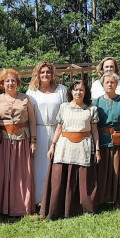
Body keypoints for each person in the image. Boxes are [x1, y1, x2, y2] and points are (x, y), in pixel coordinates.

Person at [43, 80, 100, 219]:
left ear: (85, 92)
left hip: (83, 146)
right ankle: (57, 210)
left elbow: (95, 131)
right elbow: (59, 128)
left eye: (81, 89)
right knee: (59, 179)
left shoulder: (91, 109)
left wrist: (97, 150)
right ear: (71, 92)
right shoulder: (64, 107)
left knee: (83, 179)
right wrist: (53, 145)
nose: (78, 92)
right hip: (64, 146)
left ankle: (82, 209)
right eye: (75, 89)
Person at [0, 69, 36, 217]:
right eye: (7, 81)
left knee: (21, 175)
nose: (10, 83)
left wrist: (33, 141)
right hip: (3, 142)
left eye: (13, 80)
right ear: (2, 83)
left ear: (18, 83)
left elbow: (32, 122)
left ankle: (19, 208)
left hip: (21, 141)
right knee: (1, 174)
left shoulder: (25, 99)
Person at [26, 61, 67, 208]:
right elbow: (29, 116)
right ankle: (38, 200)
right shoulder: (32, 91)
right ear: (38, 74)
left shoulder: (61, 90)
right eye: (42, 72)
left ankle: (55, 200)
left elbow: (66, 112)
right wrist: (33, 138)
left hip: (58, 131)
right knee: (39, 166)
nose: (45, 75)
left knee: (57, 164)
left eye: (48, 72)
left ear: (52, 74)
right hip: (39, 131)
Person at [93, 72, 120, 207]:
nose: (110, 84)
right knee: (103, 171)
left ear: (116, 84)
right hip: (103, 140)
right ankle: (102, 199)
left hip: (119, 140)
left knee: (118, 170)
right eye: (107, 82)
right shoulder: (96, 102)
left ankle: (118, 199)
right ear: (103, 85)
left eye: (112, 82)